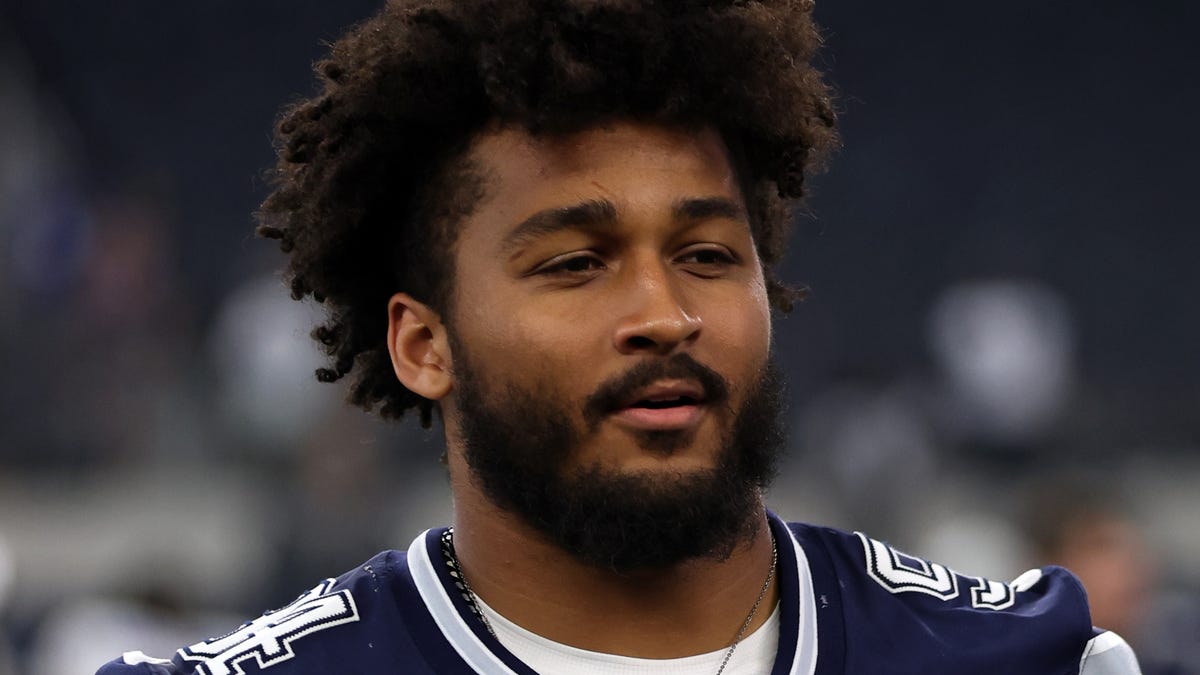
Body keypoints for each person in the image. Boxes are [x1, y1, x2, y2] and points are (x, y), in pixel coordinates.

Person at [98, 1, 1141, 673]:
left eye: (707, 256)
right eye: (574, 264)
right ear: (424, 345)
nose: (664, 315)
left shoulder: (1019, 661)